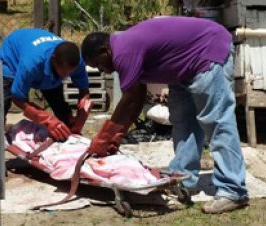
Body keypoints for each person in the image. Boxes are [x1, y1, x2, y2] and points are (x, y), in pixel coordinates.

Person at [80, 16, 248, 214]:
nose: (102, 70)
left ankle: (233, 190)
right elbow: (137, 96)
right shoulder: (123, 47)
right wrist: (115, 135)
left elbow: (131, 99)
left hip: (206, 51)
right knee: (184, 122)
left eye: (99, 64)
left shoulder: (122, 50)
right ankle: (184, 177)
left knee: (217, 122)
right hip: (182, 67)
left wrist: (107, 137)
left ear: (104, 51)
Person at [0, 28, 91, 141]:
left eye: (70, 73)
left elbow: (84, 91)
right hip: (12, 58)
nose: (66, 77)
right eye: (64, 72)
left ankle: (67, 132)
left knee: (60, 106)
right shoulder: (31, 64)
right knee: (2, 103)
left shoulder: (77, 61)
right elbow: (17, 98)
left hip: (42, 61)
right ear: (53, 60)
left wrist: (81, 114)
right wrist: (45, 119)